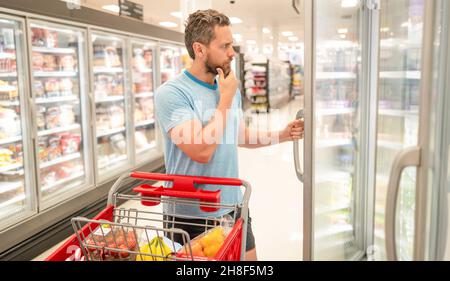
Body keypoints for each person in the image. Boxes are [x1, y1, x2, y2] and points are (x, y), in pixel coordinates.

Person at [154, 9, 304, 261]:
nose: (232, 52)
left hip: (232, 205)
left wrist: (281, 134)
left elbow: (236, 135)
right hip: (191, 213)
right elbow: (201, 150)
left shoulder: (227, 87)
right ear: (199, 49)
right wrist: (224, 98)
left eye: (231, 44)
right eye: (224, 46)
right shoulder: (173, 93)